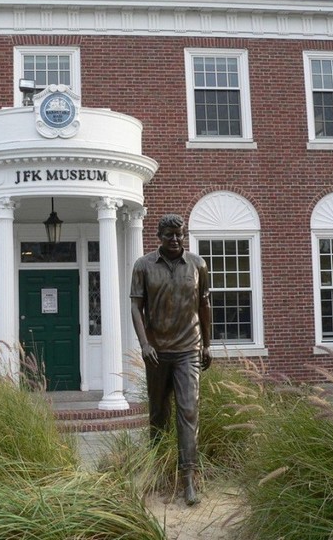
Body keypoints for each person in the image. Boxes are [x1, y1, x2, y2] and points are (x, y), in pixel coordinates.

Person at [130, 213, 212, 505]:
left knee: (189, 411)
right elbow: (136, 306)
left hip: (188, 348)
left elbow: (204, 305)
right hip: (157, 351)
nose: (175, 239)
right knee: (158, 413)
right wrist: (144, 344)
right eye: (169, 235)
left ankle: (188, 479)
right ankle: (155, 470)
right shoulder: (143, 265)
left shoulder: (198, 265)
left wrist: (207, 345)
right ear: (159, 236)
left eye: (180, 234)